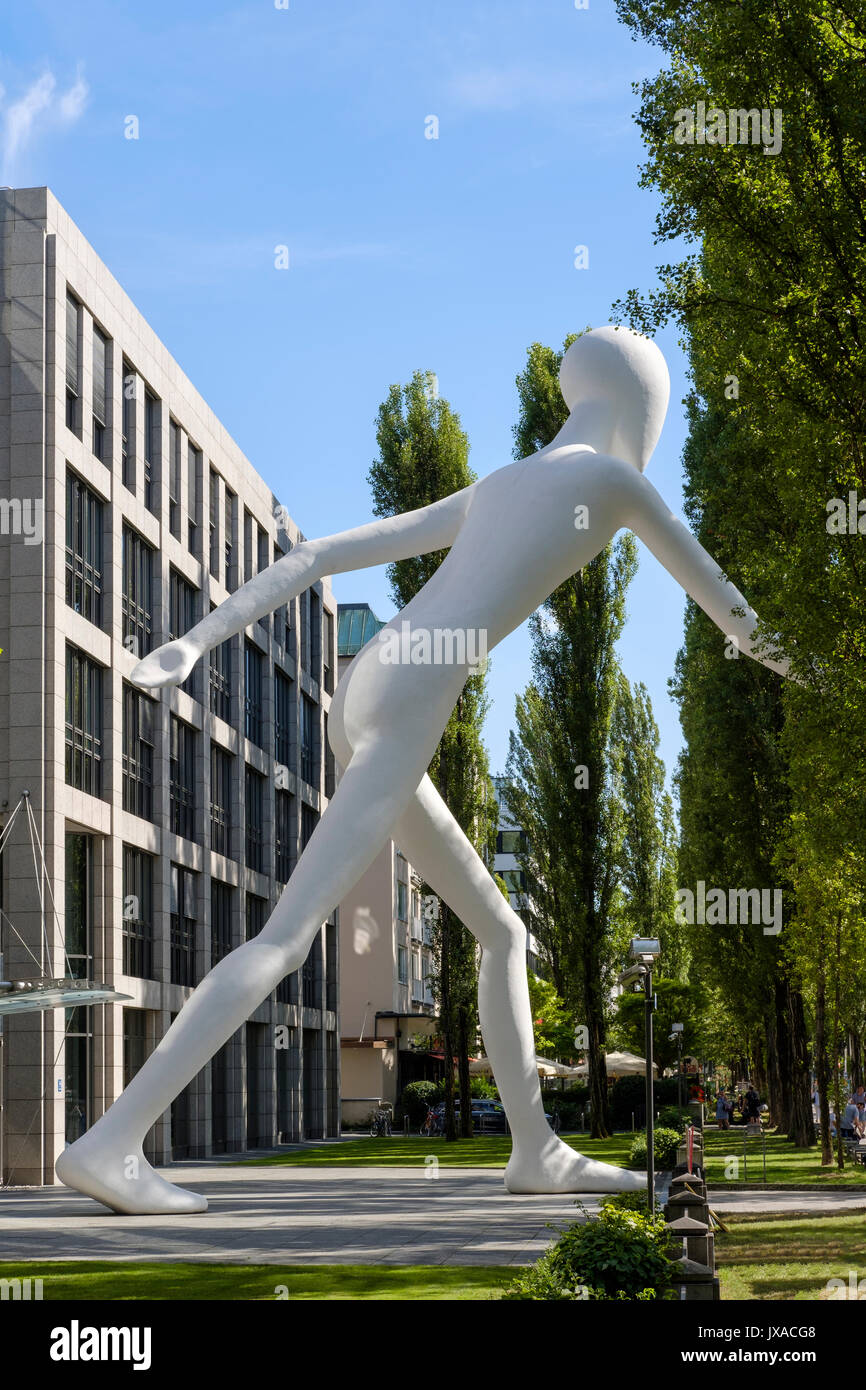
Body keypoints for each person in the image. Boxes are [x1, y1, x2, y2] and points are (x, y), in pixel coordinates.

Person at [55, 326, 801, 1215]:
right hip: (413, 699)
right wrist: (828, 673)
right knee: (284, 940)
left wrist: (195, 640)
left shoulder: (498, 486)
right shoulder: (612, 482)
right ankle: (112, 1141)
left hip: (366, 688)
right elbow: (738, 618)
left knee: (504, 933)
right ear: (646, 403)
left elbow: (319, 555)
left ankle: (537, 1148)